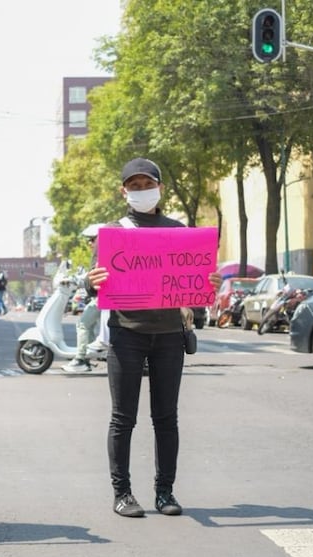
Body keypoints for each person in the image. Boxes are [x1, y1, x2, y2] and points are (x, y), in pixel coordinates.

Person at [86, 158, 222, 518]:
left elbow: (195, 287)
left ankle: (165, 492)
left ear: (160, 188)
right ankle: (122, 494)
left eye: (147, 184)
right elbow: (94, 281)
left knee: (166, 417)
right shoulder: (113, 233)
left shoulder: (179, 232)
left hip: (168, 336)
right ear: (124, 191)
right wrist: (90, 281)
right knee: (123, 418)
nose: (141, 190)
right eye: (135, 185)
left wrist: (209, 283)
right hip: (126, 335)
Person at [64, 224, 107, 373]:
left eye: (92, 239)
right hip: (104, 297)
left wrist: (82, 279)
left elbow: (97, 274)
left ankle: (81, 358)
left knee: (83, 324)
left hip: (104, 297)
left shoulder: (102, 253)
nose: (89, 243)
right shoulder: (104, 252)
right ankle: (89, 356)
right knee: (90, 325)